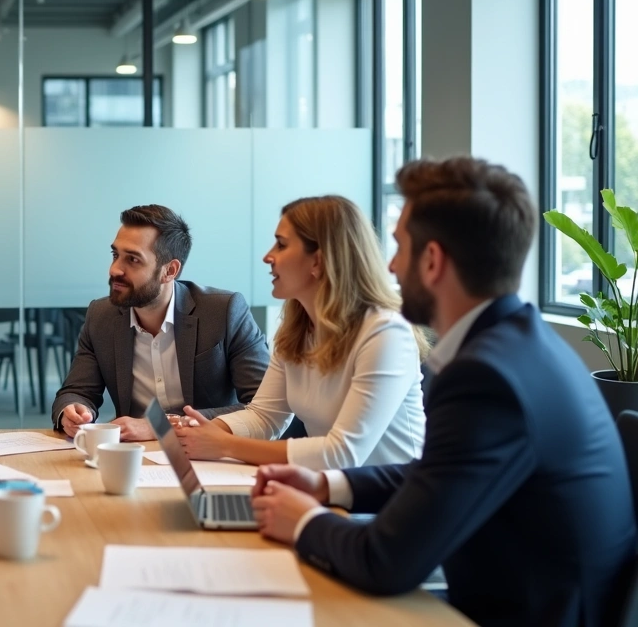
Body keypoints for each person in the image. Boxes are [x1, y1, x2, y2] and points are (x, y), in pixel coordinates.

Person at [250, 157, 637, 626]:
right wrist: (330, 484)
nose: (390, 265)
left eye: (399, 248)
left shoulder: (488, 377)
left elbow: (386, 561)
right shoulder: (520, 346)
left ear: (432, 260)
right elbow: (437, 474)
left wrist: (305, 521)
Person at [174, 196, 427, 469]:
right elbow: (264, 416)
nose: (267, 256)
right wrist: (205, 429)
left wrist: (224, 444)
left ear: (317, 261)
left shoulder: (386, 333)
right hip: (330, 489)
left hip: (390, 501)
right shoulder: (297, 329)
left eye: (281, 245)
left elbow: (342, 452)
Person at [52, 204, 270, 442]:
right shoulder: (101, 316)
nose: (114, 269)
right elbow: (77, 391)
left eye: (133, 259)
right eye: (116, 255)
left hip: (209, 454)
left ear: (169, 270)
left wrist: (162, 426)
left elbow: (263, 407)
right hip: (134, 456)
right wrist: (73, 411)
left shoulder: (224, 312)